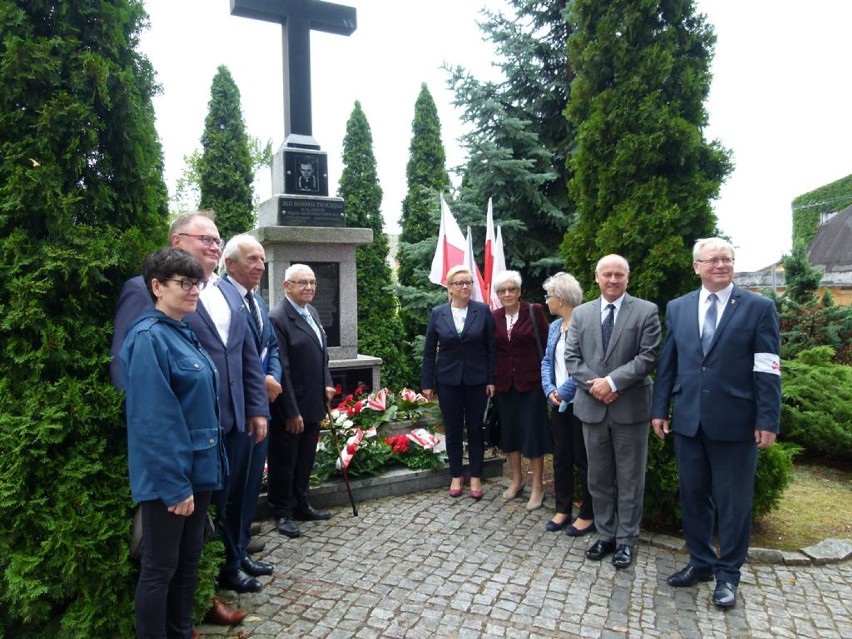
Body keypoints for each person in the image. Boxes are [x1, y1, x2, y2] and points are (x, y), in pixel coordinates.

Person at [111, 210, 269, 605]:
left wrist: (256, 405)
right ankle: (206, 598)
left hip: (229, 423)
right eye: (207, 239)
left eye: (218, 240)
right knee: (173, 548)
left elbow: (246, 352)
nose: (215, 246)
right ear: (178, 241)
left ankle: (230, 563)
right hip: (181, 437)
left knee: (226, 506)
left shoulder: (227, 290)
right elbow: (129, 367)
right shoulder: (145, 292)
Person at [651, 238, 781, 609]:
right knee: (693, 498)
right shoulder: (678, 308)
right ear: (697, 266)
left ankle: (728, 576)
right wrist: (659, 409)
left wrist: (767, 418)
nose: (721, 265)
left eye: (727, 259)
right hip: (689, 421)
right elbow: (669, 363)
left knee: (733, 504)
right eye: (713, 260)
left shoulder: (758, 308)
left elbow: (768, 366)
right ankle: (701, 562)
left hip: (736, 424)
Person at [120, 248, 224, 638]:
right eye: (184, 283)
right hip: (171, 480)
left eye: (197, 282)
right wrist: (175, 485)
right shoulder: (148, 338)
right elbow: (154, 421)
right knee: (160, 569)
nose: (194, 290)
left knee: (188, 564)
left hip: (199, 472)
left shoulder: (182, 332)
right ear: (157, 287)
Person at [564, 254, 660, 570]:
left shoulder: (646, 311)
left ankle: (626, 541)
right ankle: (605, 535)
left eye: (619, 274)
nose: (613, 280)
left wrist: (612, 382)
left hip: (630, 410)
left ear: (628, 278)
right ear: (597, 277)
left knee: (631, 479)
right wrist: (597, 386)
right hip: (592, 409)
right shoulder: (581, 314)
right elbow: (572, 357)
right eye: (607, 274)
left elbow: (647, 358)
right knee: (599, 477)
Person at [220, 234, 283, 578]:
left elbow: (270, 347)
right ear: (230, 264)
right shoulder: (221, 298)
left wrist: (272, 376)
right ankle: (230, 559)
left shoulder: (257, 303)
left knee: (249, 484)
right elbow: (226, 357)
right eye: (252, 259)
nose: (260, 265)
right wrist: (262, 382)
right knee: (234, 486)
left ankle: (241, 547)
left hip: (261, 406)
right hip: (239, 409)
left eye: (261, 259)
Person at [267, 264, 334, 538]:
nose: (309, 287)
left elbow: (322, 353)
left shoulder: (312, 312)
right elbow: (282, 368)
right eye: (302, 282)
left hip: (313, 401)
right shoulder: (278, 318)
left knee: (305, 458)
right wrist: (291, 412)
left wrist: (328, 382)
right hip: (291, 407)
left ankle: (301, 503)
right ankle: (282, 511)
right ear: (287, 286)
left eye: (312, 282)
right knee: (285, 460)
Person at [422, 265, 496, 500]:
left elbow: (491, 349)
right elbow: (429, 352)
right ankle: (456, 474)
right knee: (453, 429)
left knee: (475, 429)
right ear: (450, 288)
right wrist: (427, 383)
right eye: (460, 283)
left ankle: (475, 475)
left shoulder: (482, 311)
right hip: (447, 381)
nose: (465, 287)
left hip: (477, 381)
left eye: (468, 283)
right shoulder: (438, 313)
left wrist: (491, 379)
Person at [540, 272, 595, 536]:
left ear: (560, 299)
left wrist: (564, 391)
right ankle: (563, 509)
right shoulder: (554, 326)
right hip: (558, 404)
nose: (546, 302)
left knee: (584, 460)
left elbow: (586, 365)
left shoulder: (584, 325)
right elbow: (547, 362)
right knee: (561, 458)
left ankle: (588, 513)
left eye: (548, 296)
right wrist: (550, 389)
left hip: (581, 403)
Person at [491, 270, 551, 510]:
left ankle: (537, 486)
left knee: (533, 435)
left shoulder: (533, 312)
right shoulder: (493, 317)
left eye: (512, 289)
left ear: (519, 292)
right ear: (497, 294)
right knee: (510, 435)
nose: (507, 294)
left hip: (531, 385)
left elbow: (546, 345)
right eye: (502, 290)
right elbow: (491, 351)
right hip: (504, 385)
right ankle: (517, 481)